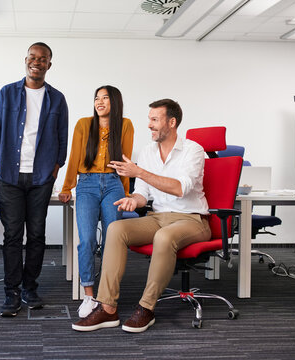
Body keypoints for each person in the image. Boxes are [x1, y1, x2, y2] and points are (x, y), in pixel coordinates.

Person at [72, 99, 211, 333]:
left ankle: (146, 308)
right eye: (149, 119)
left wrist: (139, 172)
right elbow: (143, 193)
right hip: (158, 218)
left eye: (154, 120)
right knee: (115, 229)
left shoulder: (193, 150)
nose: (149, 125)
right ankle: (107, 308)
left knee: (164, 238)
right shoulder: (148, 152)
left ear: (172, 122)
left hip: (191, 219)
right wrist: (132, 200)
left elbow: (180, 188)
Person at [0, 42, 68, 317]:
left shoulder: (57, 99)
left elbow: (62, 139)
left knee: (36, 235)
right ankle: (11, 293)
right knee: (12, 235)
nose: (37, 62)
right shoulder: (7, 93)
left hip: (40, 178)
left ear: (49, 64)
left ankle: (29, 288)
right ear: (26, 60)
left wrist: (54, 169)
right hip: (9, 176)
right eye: (33, 57)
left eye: (43, 58)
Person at [59, 85, 134, 318]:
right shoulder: (83, 124)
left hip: (113, 183)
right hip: (87, 184)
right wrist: (66, 186)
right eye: (96, 98)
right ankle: (89, 295)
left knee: (114, 240)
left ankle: (107, 294)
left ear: (115, 102)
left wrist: (126, 193)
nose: (99, 102)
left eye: (105, 98)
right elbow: (74, 157)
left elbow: (125, 162)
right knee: (88, 239)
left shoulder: (126, 125)